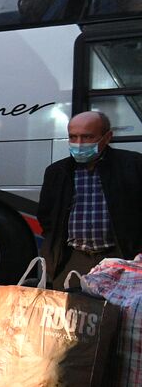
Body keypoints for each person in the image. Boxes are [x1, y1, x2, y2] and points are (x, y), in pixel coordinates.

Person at [37, 110, 142, 288]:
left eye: (87, 137)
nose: (79, 144)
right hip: (71, 260)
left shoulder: (133, 165)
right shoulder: (57, 172)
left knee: (115, 313)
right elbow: (46, 216)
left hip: (120, 258)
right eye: (73, 137)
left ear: (107, 137)